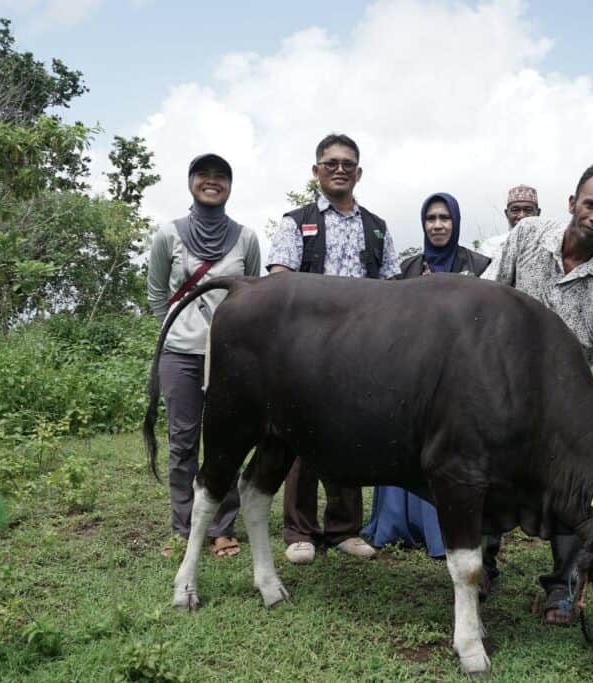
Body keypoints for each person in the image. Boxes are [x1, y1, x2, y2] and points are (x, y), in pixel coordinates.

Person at [483, 163, 593, 625]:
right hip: (501, 384)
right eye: (590, 205)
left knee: (583, 489)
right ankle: (484, 566)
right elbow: (487, 294)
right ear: (572, 204)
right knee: (487, 476)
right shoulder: (527, 234)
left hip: (566, 402)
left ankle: (563, 587)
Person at [266, 133, 401, 564]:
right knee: (301, 435)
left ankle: (344, 528)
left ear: (358, 172)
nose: (339, 169)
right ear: (316, 171)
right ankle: (300, 531)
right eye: (330, 163)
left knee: (354, 434)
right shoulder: (295, 221)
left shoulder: (377, 227)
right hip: (307, 351)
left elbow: (394, 288)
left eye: (347, 163)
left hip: (363, 352)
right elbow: (278, 282)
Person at [362, 192, 491, 557]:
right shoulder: (406, 269)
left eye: (444, 218)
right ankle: (396, 524)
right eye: (431, 218)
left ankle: (442, 532)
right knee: (404, 443)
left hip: (462, 380)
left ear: (456, 222)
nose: (437, 225)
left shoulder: (479, 266)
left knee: (450, 455)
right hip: (412, 375)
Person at [147, 153, 262, 558]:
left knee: (226, 441)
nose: (211, 182)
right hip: (179, 353)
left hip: (231, 358)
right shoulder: (168, 235)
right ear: (191, 182)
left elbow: (255, 295)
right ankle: (183, 527)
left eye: (220, 176)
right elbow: (156, 292)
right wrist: (175, 330)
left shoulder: (246, 237)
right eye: (203, 175)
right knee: (182, 442)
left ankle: (222, 527)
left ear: (229, 185)